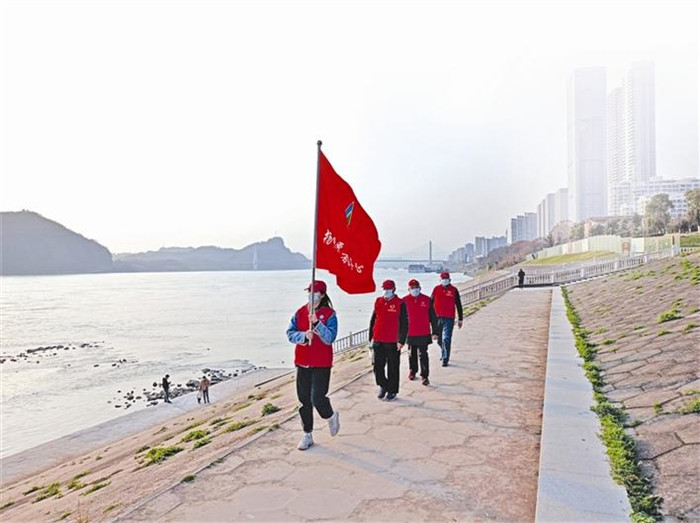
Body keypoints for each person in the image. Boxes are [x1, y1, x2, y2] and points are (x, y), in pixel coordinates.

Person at [286, 280, 340, 451]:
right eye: (309, 292)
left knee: (317, 398)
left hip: (321, 362)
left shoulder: (330, 314)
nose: (311, 295)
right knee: (304, 400)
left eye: (315, 293)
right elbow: (290, 333)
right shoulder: (300, 312)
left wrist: (317, 324)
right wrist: (303, 336)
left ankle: (330, 415)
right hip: (302, 361)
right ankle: (307, 434)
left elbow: (330, 337)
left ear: (322, 295)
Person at [369, 279, 407, 401]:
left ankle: (392, 390)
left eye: (388, 289)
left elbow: (404, 323)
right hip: (378, 339)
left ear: (393, 289)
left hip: (392, 341)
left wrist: (401, 340)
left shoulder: (400, 303)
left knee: (393, 367)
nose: (386, 291)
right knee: (377, 367)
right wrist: (371, 337)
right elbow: (373, 320)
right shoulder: (378, 301)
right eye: (384, 289)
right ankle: (383, 385)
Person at [403, 279, 439, 386]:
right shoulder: (404, 301)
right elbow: (400, 319)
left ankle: (425, 376)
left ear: (420, 288)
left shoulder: (427, 300)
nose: (414, 290)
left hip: (423, 332)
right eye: (412, 288)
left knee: (423, 354)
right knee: (411, 354)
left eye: (416, 287)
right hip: (410, 332)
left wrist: (435, 331)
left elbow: (433, 316)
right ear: (408, 289)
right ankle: (412, 371)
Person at [431, 271, 463, 367]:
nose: (445, 280)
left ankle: (445, 359)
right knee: (439, 340)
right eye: (443, 279)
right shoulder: (436, 289)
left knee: (446, 338)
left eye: (446, 279)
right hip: (437, 318)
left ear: (449, 279)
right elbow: (430, 303)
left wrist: (460, 319)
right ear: (440, 279)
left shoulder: (454, 290)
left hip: (449, 318)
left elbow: (458, 304)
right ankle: (443, 351)